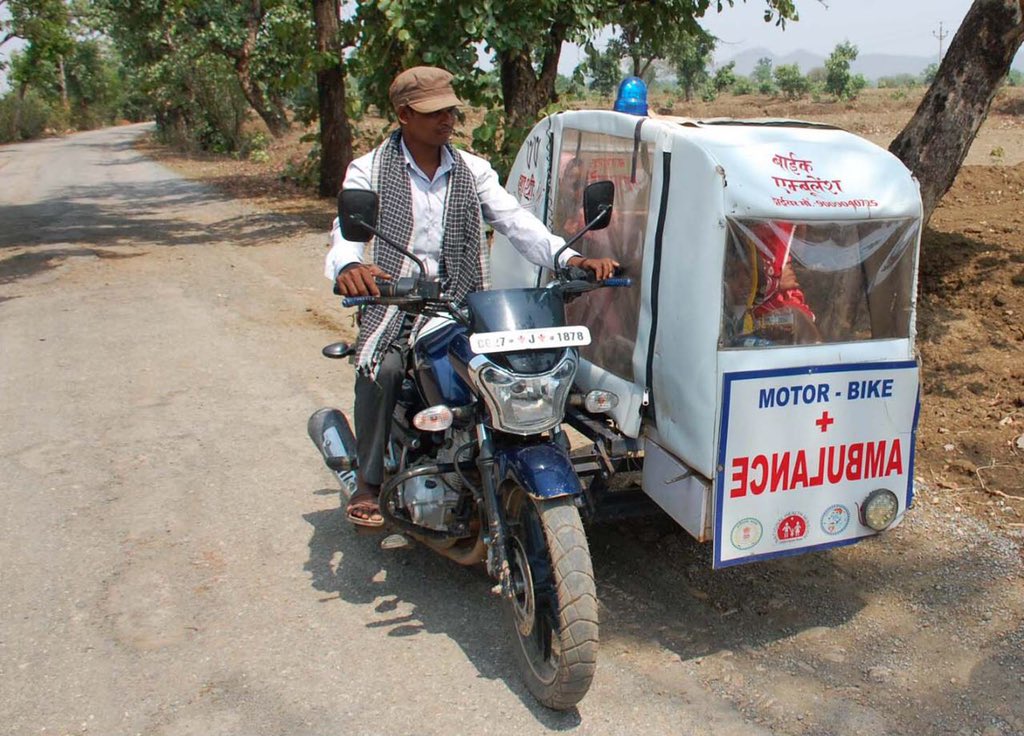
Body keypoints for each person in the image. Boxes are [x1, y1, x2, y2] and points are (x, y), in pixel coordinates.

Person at [325, 66, 617, 527]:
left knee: (519, 362)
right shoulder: (368, 170)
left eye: (450, 110)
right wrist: (350, 267)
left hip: (461, 303)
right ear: (404, 114)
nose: (447, 120)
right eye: (433, 112)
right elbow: (345, 237)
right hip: (399, 302)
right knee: (385, 367)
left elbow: (517, 224)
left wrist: (569, 259)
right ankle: (369, 479)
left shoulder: (471, 170)